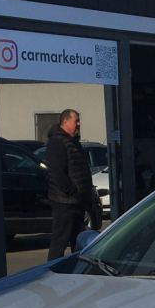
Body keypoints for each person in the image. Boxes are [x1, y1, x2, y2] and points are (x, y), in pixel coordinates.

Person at [46, 109, 99, 260]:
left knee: (79, 242)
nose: (79, 124)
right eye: (76, 121)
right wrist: (73, 191)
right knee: (60, 242)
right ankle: (53, 270)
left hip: (77, 202)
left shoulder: (73, 142)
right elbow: (58, 173)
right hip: (65, 203)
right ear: (65, 122)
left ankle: (76, 269)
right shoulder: (57, 142)